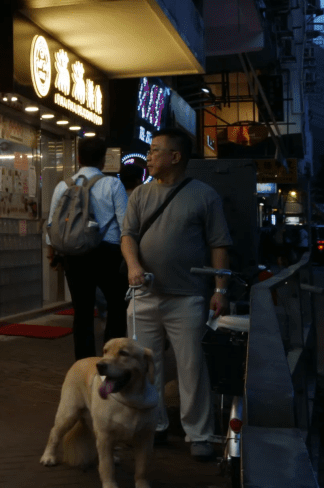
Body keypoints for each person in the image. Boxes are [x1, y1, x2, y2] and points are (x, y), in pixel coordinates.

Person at [121, 127, 233, 460]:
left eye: (156, 150)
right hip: (145, 295)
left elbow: (219, 244)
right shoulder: (140, 194)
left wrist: (220, 289)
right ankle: (152, 426)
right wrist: (132, 265)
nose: (150, 156)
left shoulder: (204, 195)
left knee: (192, 366)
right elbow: (128, 236)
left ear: (176, 157)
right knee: (142, 365)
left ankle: (198, 434)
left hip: (188, 297)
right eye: (150, 150)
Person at [47, 136, 129, 360]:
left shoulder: (63, 186)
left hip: (74, 255)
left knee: (82, 312)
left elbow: (52, 224)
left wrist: (52, 253)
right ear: (103, 161)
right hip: (108, 253)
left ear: (78, 158)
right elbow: (126, 226)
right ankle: (111, 361)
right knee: (116, 307)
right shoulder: (113, 184)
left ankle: (83, 364)